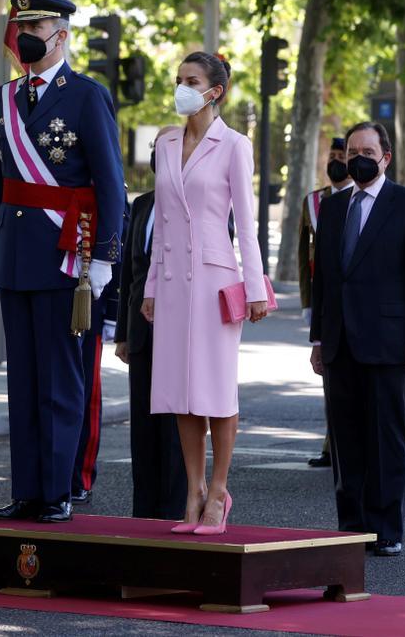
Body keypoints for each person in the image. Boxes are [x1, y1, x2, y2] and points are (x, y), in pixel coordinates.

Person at [0, 0, 124, 524]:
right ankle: (27, 490)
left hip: (69, 257)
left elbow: (110, 182)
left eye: (35, 25)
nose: (25, 34)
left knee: (61, 381)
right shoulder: (5, 98)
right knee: (22, 381)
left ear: (60, 34)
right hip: (19, 256)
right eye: (20, 24)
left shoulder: (86, 95)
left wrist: (106, 255)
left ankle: (58, 490)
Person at [141, 52, 268, 536]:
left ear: (215, 90)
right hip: (172, 281)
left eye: (191, 81)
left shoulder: (234, 145)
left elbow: (248, 226)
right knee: (181, 393)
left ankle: (218, 490)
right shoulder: (167, 141)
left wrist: (254, 288)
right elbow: (164, 222)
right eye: (178, 80)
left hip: (217, 280)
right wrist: (151, 287)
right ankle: (192, 492)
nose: (182, 88)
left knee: (215, 391)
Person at [309, 121, 405, 556]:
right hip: (340, 341)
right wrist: (318, 340)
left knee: (387, 436)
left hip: (389, 341)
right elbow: (323, 278)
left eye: (367, 151)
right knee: (345, 439)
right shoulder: (333, 207)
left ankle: (386, 528)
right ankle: (352, 526)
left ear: (386, 157)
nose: (357, 159)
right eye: (351, 152)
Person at [116, 138, 187, 519]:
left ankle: (173, 508)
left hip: (179, 330)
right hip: (142, 333)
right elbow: (129, 273)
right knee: (142, 426)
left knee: (174, 427)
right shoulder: (141, 205)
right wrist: (123, 333)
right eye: (156, 151)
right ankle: (143, 509)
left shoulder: (194, 204)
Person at [300, 136, 354, 469]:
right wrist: (308, 302)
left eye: (341, 155)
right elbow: (302, 254)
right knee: (329, 375)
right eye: (332, 155)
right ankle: (331, 442)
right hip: (325, 300)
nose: (336, 161)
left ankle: (348, 443)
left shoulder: (359, 199)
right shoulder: (314, 202)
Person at [71, 200, 127, 505]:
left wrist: (111, 315)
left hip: (91, 301)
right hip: (57, 289)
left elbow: (117, 250)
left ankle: (81, 474)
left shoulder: (109, 191)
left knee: (86, 393)